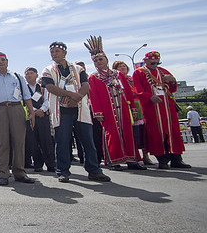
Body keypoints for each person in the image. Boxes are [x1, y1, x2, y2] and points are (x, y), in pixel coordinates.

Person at [41, 42, 111, 183]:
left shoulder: (78, 69)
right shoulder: (48, 70)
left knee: (87, 141)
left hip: (79, 108)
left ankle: (94, 170)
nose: (54, 54)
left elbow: (86, 85)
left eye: (57, 51)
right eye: (52, 52)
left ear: (65, 53)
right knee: (62, 141)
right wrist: (71, 95)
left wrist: (77, 97)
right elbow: (50, 87)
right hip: (61, 110)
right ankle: (63, 171)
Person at [84, 36, 145, 171]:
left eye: (101, 59)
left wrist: (133, 108)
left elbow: (128, 92)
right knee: (111, 134)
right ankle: (113, 161)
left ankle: (132, 160)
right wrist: (97, 112)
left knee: (128, 132)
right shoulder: (93, 77)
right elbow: (93, 96)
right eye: (95, 60)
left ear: (106, 60)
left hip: (123, 108)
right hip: (107, 111)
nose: (98, 62)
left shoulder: (118, 74)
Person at [0, 52, 36, 186]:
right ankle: (3, 174)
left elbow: (27, 95)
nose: (1, 62)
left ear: (7, 61)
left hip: (16, 108)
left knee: (19, 141)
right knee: (2, 143)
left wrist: (31, 112)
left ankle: (20, 172)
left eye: (3, 60)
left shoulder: (17, 77)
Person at [132, 51, 190, 169]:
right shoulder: (139, 72)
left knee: (173, 131)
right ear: (146, 60)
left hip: (168, 107)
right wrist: (149, 96)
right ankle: (162, 159)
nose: (154, 64)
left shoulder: (163, 71)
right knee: (156, 132)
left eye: (156, 62)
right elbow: (137, 89)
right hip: (152, 108)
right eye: (152, 62)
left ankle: (176, 158)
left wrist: (172, 80)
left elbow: (172, 89)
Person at [24, 67, 55, 172]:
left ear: (37, 75)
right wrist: (33, 111)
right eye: (27, 74)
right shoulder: (23, 88)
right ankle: (38, 164)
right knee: (33, 141)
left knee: (46, 140)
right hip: (30, 117)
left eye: (31, 73)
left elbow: (47, 100)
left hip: (42, 116)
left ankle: (51, 164)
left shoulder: (43, 87)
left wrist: (41, 110)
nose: (29, 75)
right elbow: (23, 101)